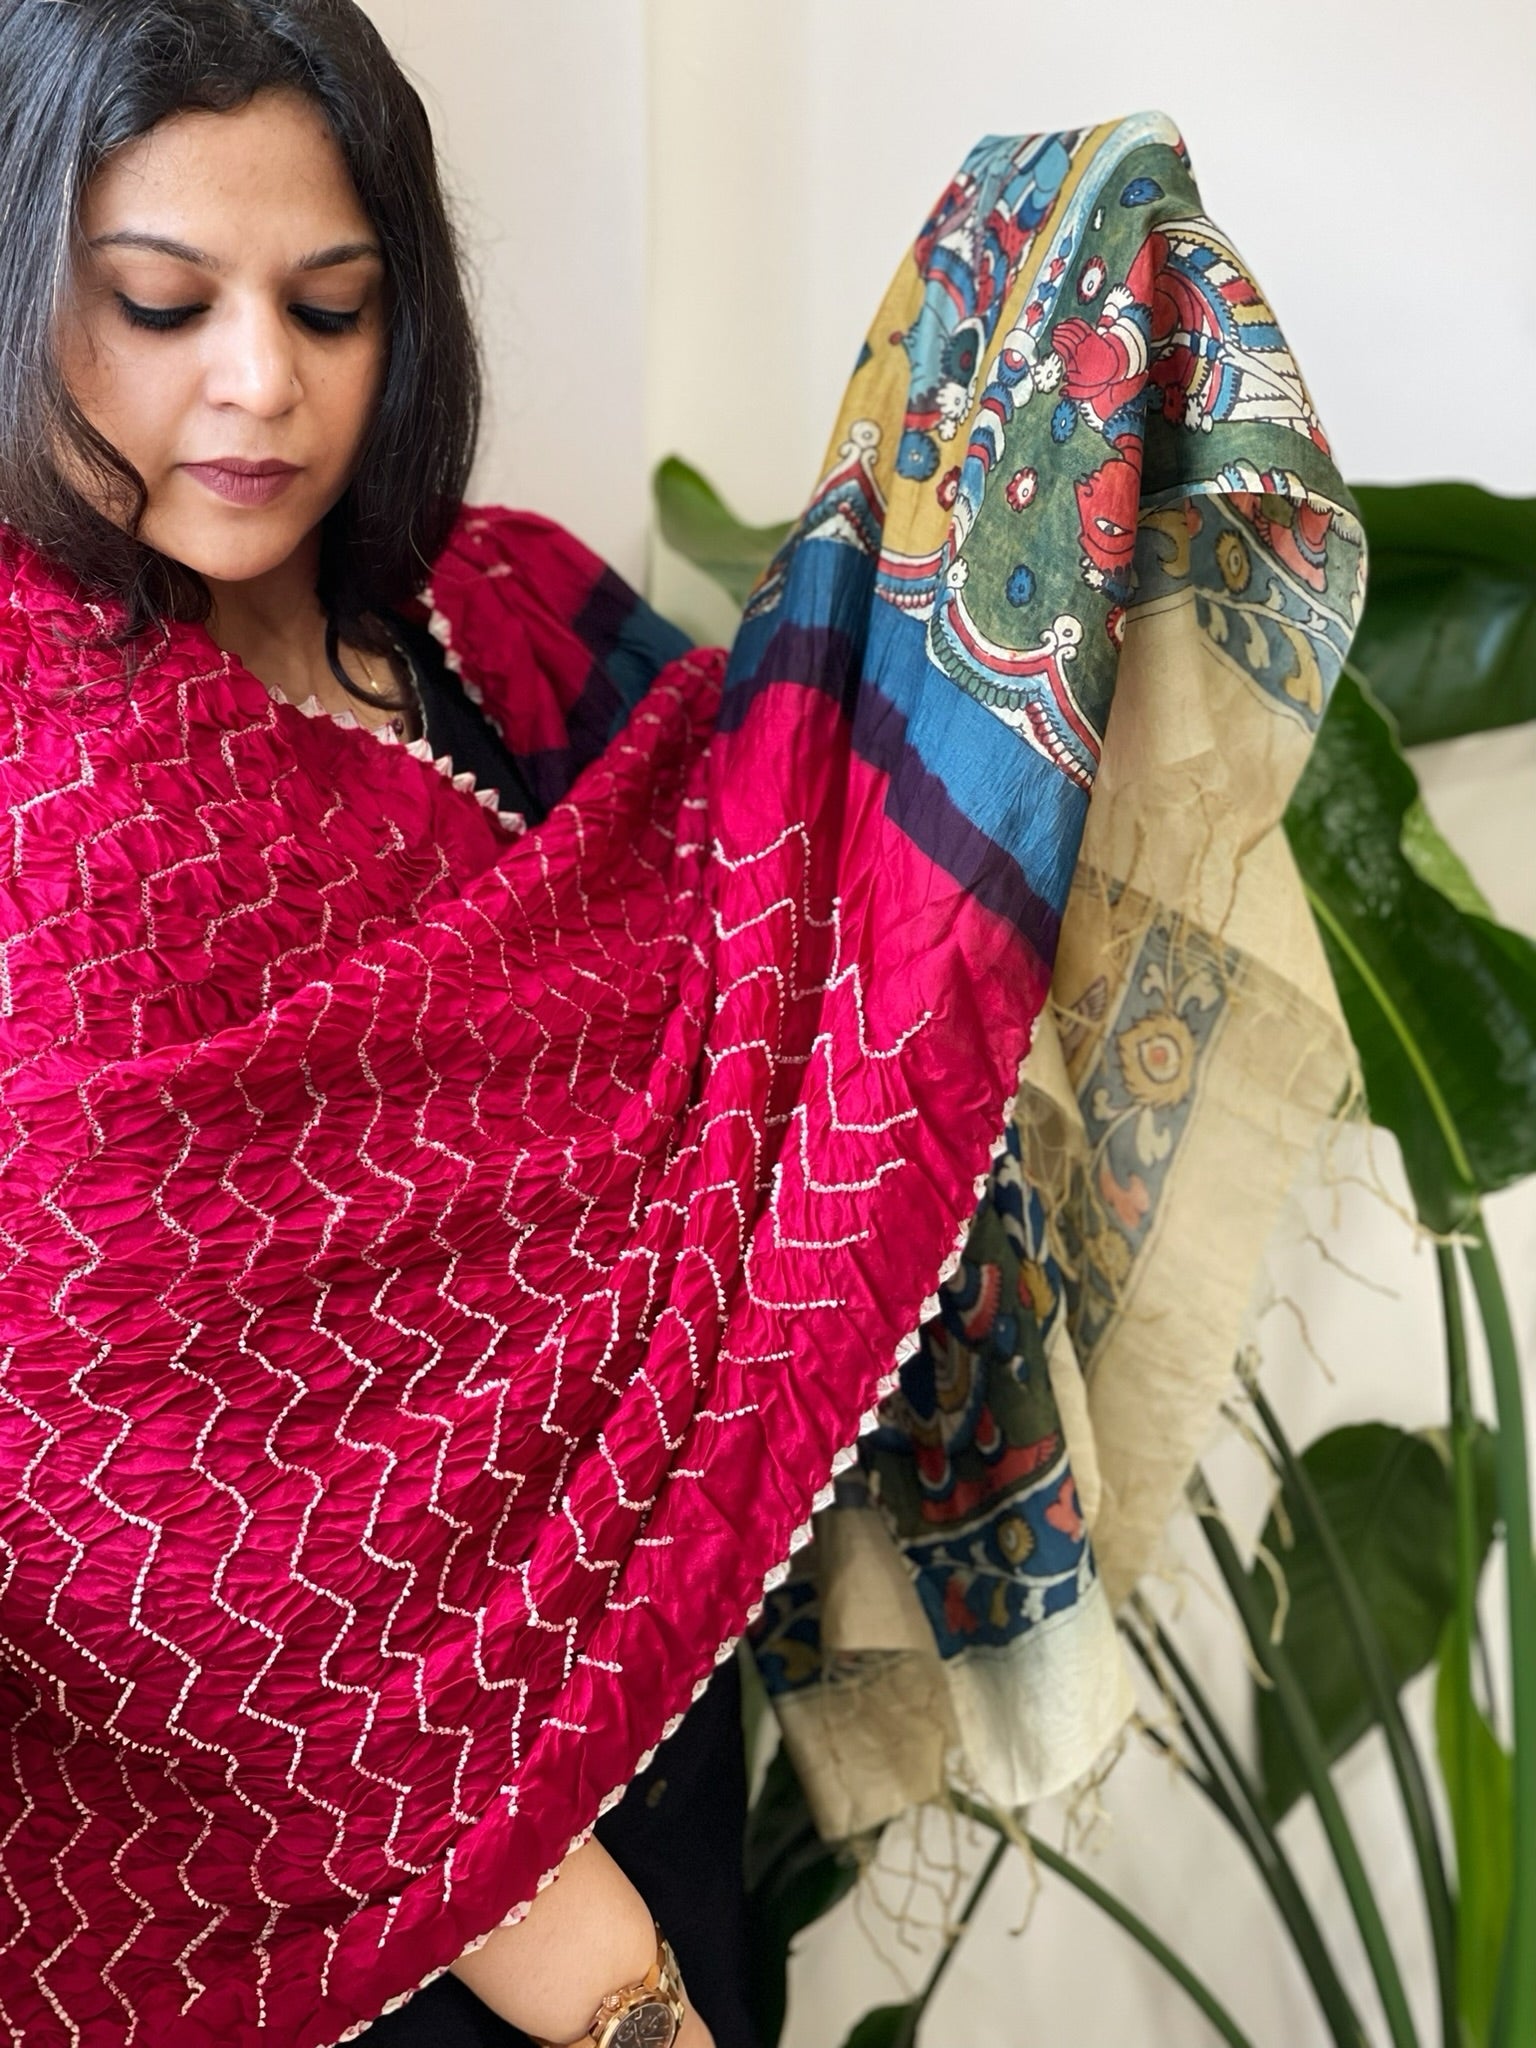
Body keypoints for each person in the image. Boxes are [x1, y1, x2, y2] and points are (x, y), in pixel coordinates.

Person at [0, 3, 1368, 2044]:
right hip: (350, 1919)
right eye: (162, 303)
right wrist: (606, 1990)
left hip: (657, 1732)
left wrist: (1024, 342)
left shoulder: (511, 615)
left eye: (335, 303)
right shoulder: (44, 783)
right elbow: (130, 1516)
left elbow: (817, 929)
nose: (258, 383)